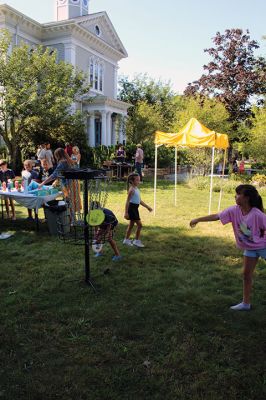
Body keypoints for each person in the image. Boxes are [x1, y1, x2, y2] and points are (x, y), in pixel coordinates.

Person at [190, 184, 266, 311]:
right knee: (246, 275)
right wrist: (197, 219)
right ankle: (246, 304)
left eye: (238, 194)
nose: (235, 196)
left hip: (263, 246)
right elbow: (216, 216)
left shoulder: (257, 214)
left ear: (246, 198)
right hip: (250, 248)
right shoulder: (234, 210)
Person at [123, 172, 152, 248]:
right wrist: (126, 212)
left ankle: (126, 240)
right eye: (137, 180)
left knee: (131, 225)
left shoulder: (136, 189)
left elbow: (139, 200)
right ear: (132, 181)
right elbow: (127, 201)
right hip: (132, 209)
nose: (139, 181)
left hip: (135, 208)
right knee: (140, 225)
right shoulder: (131, 190)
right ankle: (136, 241)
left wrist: (147, 207)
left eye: (139, 180)